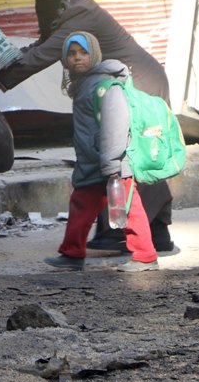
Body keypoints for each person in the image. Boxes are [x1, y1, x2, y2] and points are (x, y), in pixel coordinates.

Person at [0, 0, 175, 253]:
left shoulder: (79, 15)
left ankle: (123, 232)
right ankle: (155, 232)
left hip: (140, 83)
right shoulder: (68, 9)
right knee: (130, 157)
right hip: (128, 81)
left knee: (133, 157)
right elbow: (39, 47)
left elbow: (43, 55)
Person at [43, 32, 159, 272]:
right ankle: (72, 254)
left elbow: (116, 124)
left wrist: (112, 162)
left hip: (113, 162)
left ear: (94, 54)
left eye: (83, 53)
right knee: (81, 205)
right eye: (71, 54)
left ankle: (146, 256)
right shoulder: (84, 85)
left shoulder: (105, 85)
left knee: (128, 207)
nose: (77, 58)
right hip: (93, 162)